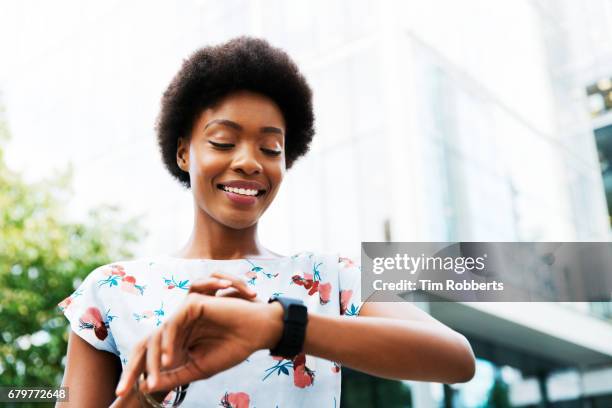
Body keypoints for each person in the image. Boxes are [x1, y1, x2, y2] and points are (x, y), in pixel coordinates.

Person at [57, 37, 475, 408]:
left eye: (271, 148)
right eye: (223, 141)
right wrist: (144, 393)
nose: (249, 162)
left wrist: (276, 324)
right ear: (184, 152)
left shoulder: (329, 278)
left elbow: (456, 358)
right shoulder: (111, 291)